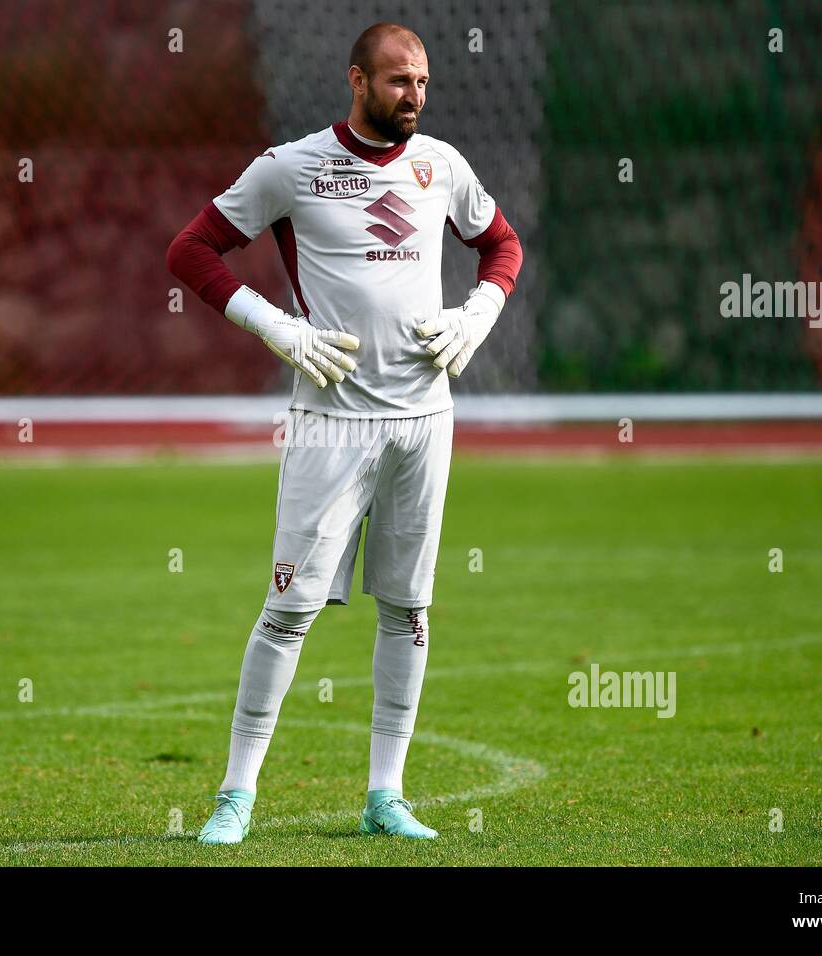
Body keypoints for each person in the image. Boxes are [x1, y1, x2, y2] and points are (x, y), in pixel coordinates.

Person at [165, 21, 523, 843]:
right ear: (356, 80)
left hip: (425, 423)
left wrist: (480, 312)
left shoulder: (442, 167)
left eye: (424, 82)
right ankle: (235, 797)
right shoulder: (292, 167)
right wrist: (276, 328)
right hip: (330, 425)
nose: (415, 96)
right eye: (399, 81)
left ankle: (385, 796)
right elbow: (192, 251)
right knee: (288, 611)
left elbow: (501, 245)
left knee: (409, 609)